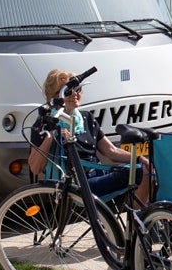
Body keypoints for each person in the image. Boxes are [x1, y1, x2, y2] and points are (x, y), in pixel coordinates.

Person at [28, 69, 153, 205]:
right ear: (55, 96)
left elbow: (111, 152)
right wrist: (52, 134)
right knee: (143, 173)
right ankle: (138, 220)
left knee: (149, 169)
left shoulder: (86, 118)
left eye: (78, 89)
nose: (75, 94)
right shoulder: (45, 122)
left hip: (98, 174)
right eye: (68, 91)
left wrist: (140, 159)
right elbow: (35, 168)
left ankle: (141, 218)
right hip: (77, 185)